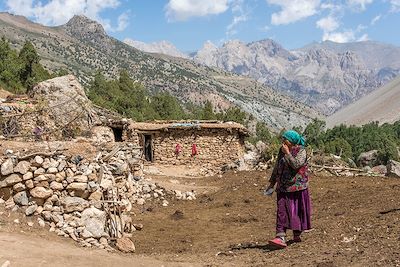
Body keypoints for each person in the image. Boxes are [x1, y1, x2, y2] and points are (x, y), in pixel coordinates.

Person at [266, 130, 312, 248]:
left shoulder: (301, 151)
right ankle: (280, 237)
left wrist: (287, 153)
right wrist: (272, 183)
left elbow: (296, 164)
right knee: (282, 210)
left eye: (285, 139)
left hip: (298, 186)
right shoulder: (282, 150)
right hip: (283, 186)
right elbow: (277, 166)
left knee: (296, 210)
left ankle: (296, 233)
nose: (283, 141)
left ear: (291, 141)